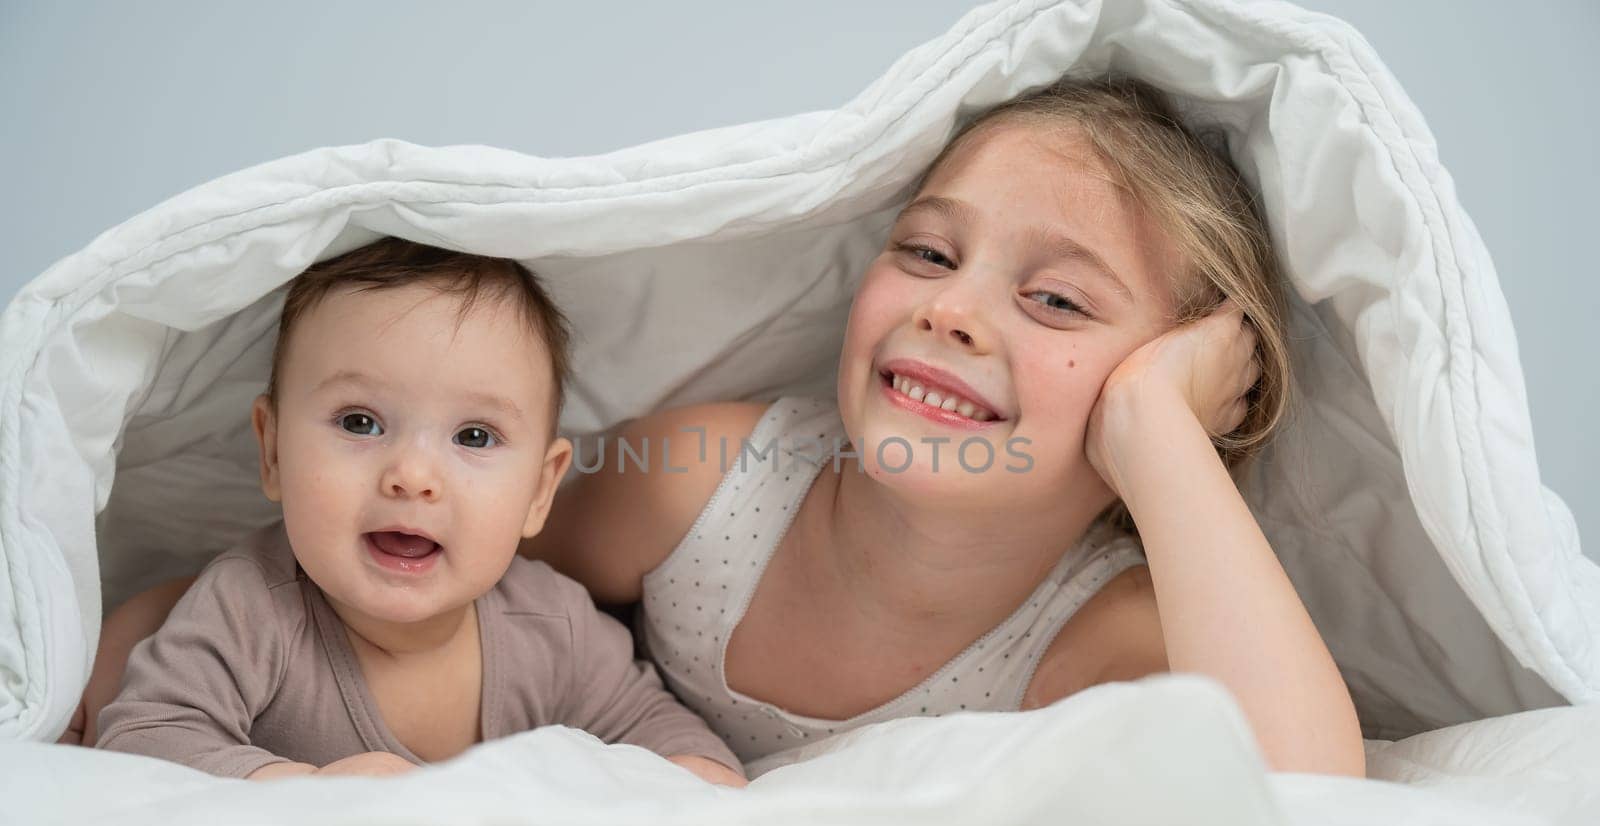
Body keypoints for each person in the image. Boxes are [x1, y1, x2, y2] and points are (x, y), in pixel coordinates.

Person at [77, 76, 1365, 777]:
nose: (954, 313)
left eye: (1054, 298)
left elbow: (1314, 799)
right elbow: (452, 553)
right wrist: (177, 633)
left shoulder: (1104, 631)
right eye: (925, 251)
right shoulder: (701, 479)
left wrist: (1155, 436)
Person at [89, 238, 745, 786]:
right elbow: (143, 739)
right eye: (360, 421)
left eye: (475, 437)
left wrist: (691, 782)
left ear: (539, 492)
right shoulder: (249, 610)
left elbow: (665, 732)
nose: (412, 477)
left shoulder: (552, 626)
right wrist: (298, 789)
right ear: (274, 452)